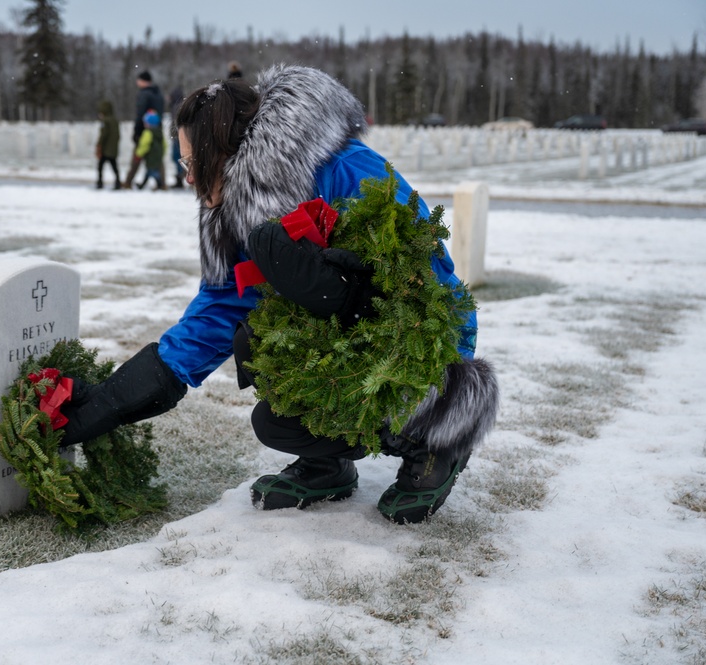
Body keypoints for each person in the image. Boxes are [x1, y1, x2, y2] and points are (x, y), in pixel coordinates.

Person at [58, 66, 499, 525]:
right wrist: (114, 399)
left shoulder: (344, 170)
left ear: (221, 151)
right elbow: (222, 308)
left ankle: (434, 446)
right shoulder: (241, 210)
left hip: (417, 344)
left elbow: (427, 275)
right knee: (268, 395)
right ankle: (327, 467)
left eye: (191, 162)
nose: (187, 177)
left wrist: (361, 296)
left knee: (303, 302)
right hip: (337, 341)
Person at [122, 70, 164, 188]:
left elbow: (140, 114)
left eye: (139, 80)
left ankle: (128, 181)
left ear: (143, 81)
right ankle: (163, 183)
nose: (137, 82)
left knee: (137, 155)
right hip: (157, 129)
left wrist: (137, 131)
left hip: (145, 130)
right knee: (157, 155)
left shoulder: (144, 94)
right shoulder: (158, 94)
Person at [133, 110, 165, 190]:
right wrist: (161, 153)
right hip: (157, 156)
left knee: (151, 171)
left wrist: (138, 154)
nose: (144, 124)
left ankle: (158, 184)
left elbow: (144, 145)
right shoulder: (159, 132)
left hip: (150, 156)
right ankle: (147, 184)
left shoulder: (147, 132)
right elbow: (164, 145)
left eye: (145, 123)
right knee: (151, 171)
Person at [95, 99, 121, 190]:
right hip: (113, 148)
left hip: (105, 149)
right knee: (114, 166)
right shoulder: (115, 120)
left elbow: (103, 134)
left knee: (100, 166)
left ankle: (99, 182)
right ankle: (118, 182)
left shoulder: (105, 121)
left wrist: (99, 144)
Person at [168, 86, 186, 188]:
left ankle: (180, 177)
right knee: (178, 157)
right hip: (178, 135)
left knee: (177, 157)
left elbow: (176, 123)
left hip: (177, 136)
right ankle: (180, 177)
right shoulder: (180, 105)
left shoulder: (176, 106)